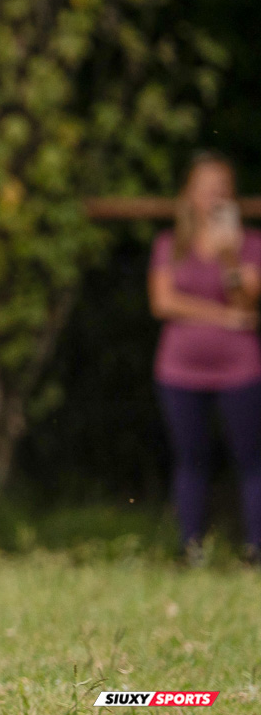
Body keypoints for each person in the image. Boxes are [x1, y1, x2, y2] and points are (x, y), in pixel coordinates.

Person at [147, 150, 261, 565]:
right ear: (189, 195)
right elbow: (163, 302)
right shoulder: (169, 245)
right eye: (206, 189)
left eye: (222, 190)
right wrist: (222, 316)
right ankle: (190, 549)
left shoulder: (250, 245)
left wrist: (230, 255)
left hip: (240, 368)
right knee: (190, 459)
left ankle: (255, 551)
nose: (214, 198)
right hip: (179, 369)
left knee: (250, 460)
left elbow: (247, 303)